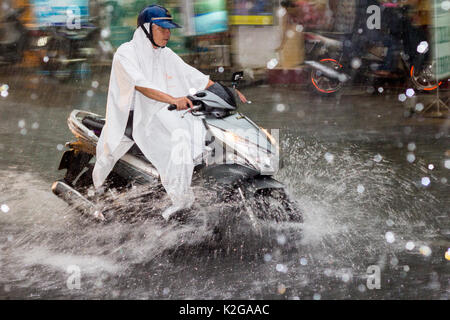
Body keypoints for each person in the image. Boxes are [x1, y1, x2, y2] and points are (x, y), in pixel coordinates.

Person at [92, 4, 246, 220]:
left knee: (201, 135)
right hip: (133, 118)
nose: (168, 33)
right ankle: (179, 202)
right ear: (146, 29)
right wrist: (173, 99)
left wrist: (224, 91)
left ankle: (184, 192)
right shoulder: (126, 53)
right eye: (162, 28)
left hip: (162, 111)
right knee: (177, 144)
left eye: (169, 29)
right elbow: (141, 85)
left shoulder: (165, 54)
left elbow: (194, 76)